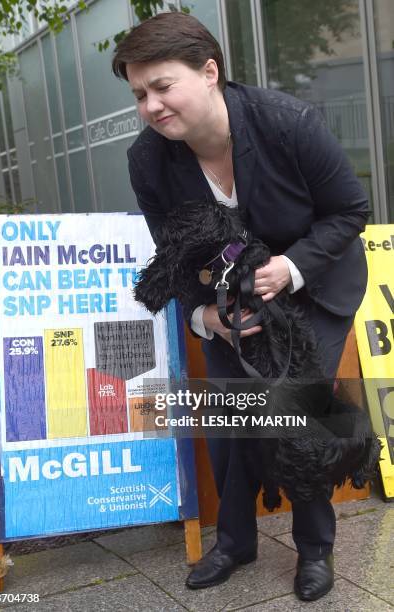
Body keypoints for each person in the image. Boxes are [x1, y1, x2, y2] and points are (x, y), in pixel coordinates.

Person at [112, 12, 369, 601]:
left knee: (293, 414)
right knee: (231, 423)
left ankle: (314, 550)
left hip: (313, 287)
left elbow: (350, 210)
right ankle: (234, 542)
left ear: (209, 72)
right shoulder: (148, 160)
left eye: (162, 86)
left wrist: (291, 268)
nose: (151, 105)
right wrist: (206, 318)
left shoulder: (288, 123)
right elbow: (174, 256)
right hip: (228, 303)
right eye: (138, 94)